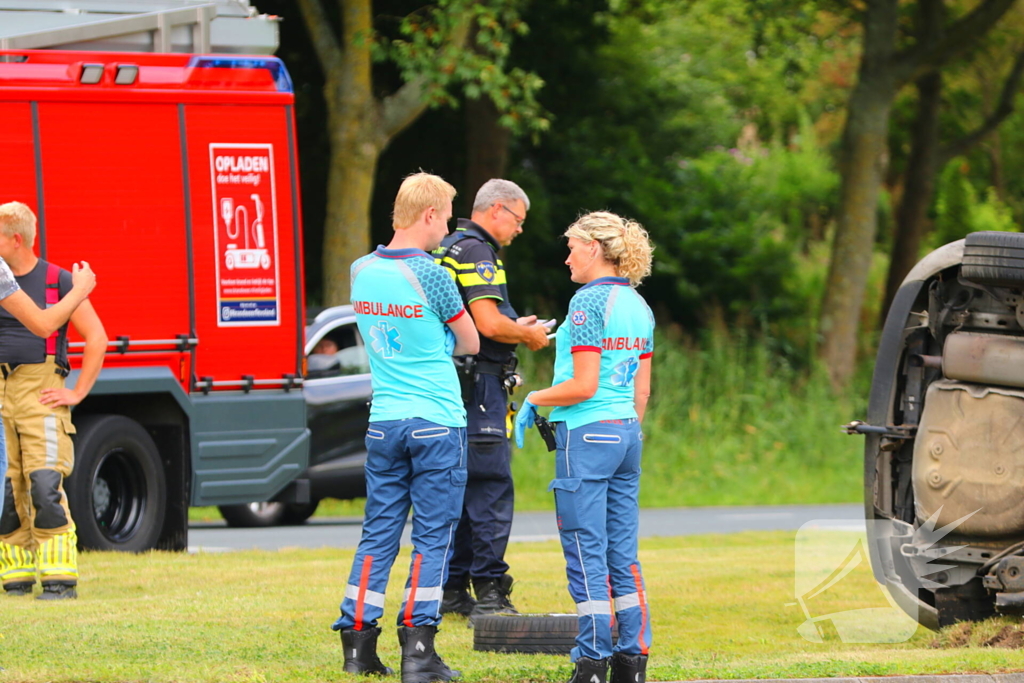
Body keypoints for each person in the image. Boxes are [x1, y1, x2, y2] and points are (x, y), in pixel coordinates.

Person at [331, 173, 479, 683]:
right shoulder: (433, 273)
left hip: (385, 419)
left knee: (378, 534)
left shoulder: (361, 268)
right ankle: (419, 651)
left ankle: (357, 645)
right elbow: (470, 341)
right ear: (430, 215)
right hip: (436, 418)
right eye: (448, 216)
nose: (448, 230)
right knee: (433, 538)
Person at [514, 211, 655, 683]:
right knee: (623, 552)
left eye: (572, 245)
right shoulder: (639, 306)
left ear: (594, 248)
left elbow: (584, 385)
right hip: (626, 433)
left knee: (585, 548)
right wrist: (626, 432)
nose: (567, 255)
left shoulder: (586, 303)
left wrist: (535, 398)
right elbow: (642, 392)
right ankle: (632, 660)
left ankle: (592, 660)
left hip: (587, 434)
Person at [433, 179, 550, 619]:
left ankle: (452, 589)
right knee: (489, 486)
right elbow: (489, 324)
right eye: (518, 220)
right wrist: (528, 333)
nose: (519, 230)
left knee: (461, 486)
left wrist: (515, 323)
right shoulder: (479, 252)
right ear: (497, 209)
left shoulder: (447, 246)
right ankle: (490, 592)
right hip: (480, 385)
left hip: (454, 384)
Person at [0, 201, 106, 601]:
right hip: (1, 394)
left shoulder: (56, 281)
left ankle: (60, 579)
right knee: (8, 493)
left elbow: (96, 338)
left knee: (44, 486)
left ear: (15, 239)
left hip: (39, 394)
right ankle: (16, 577)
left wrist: (76, 391)